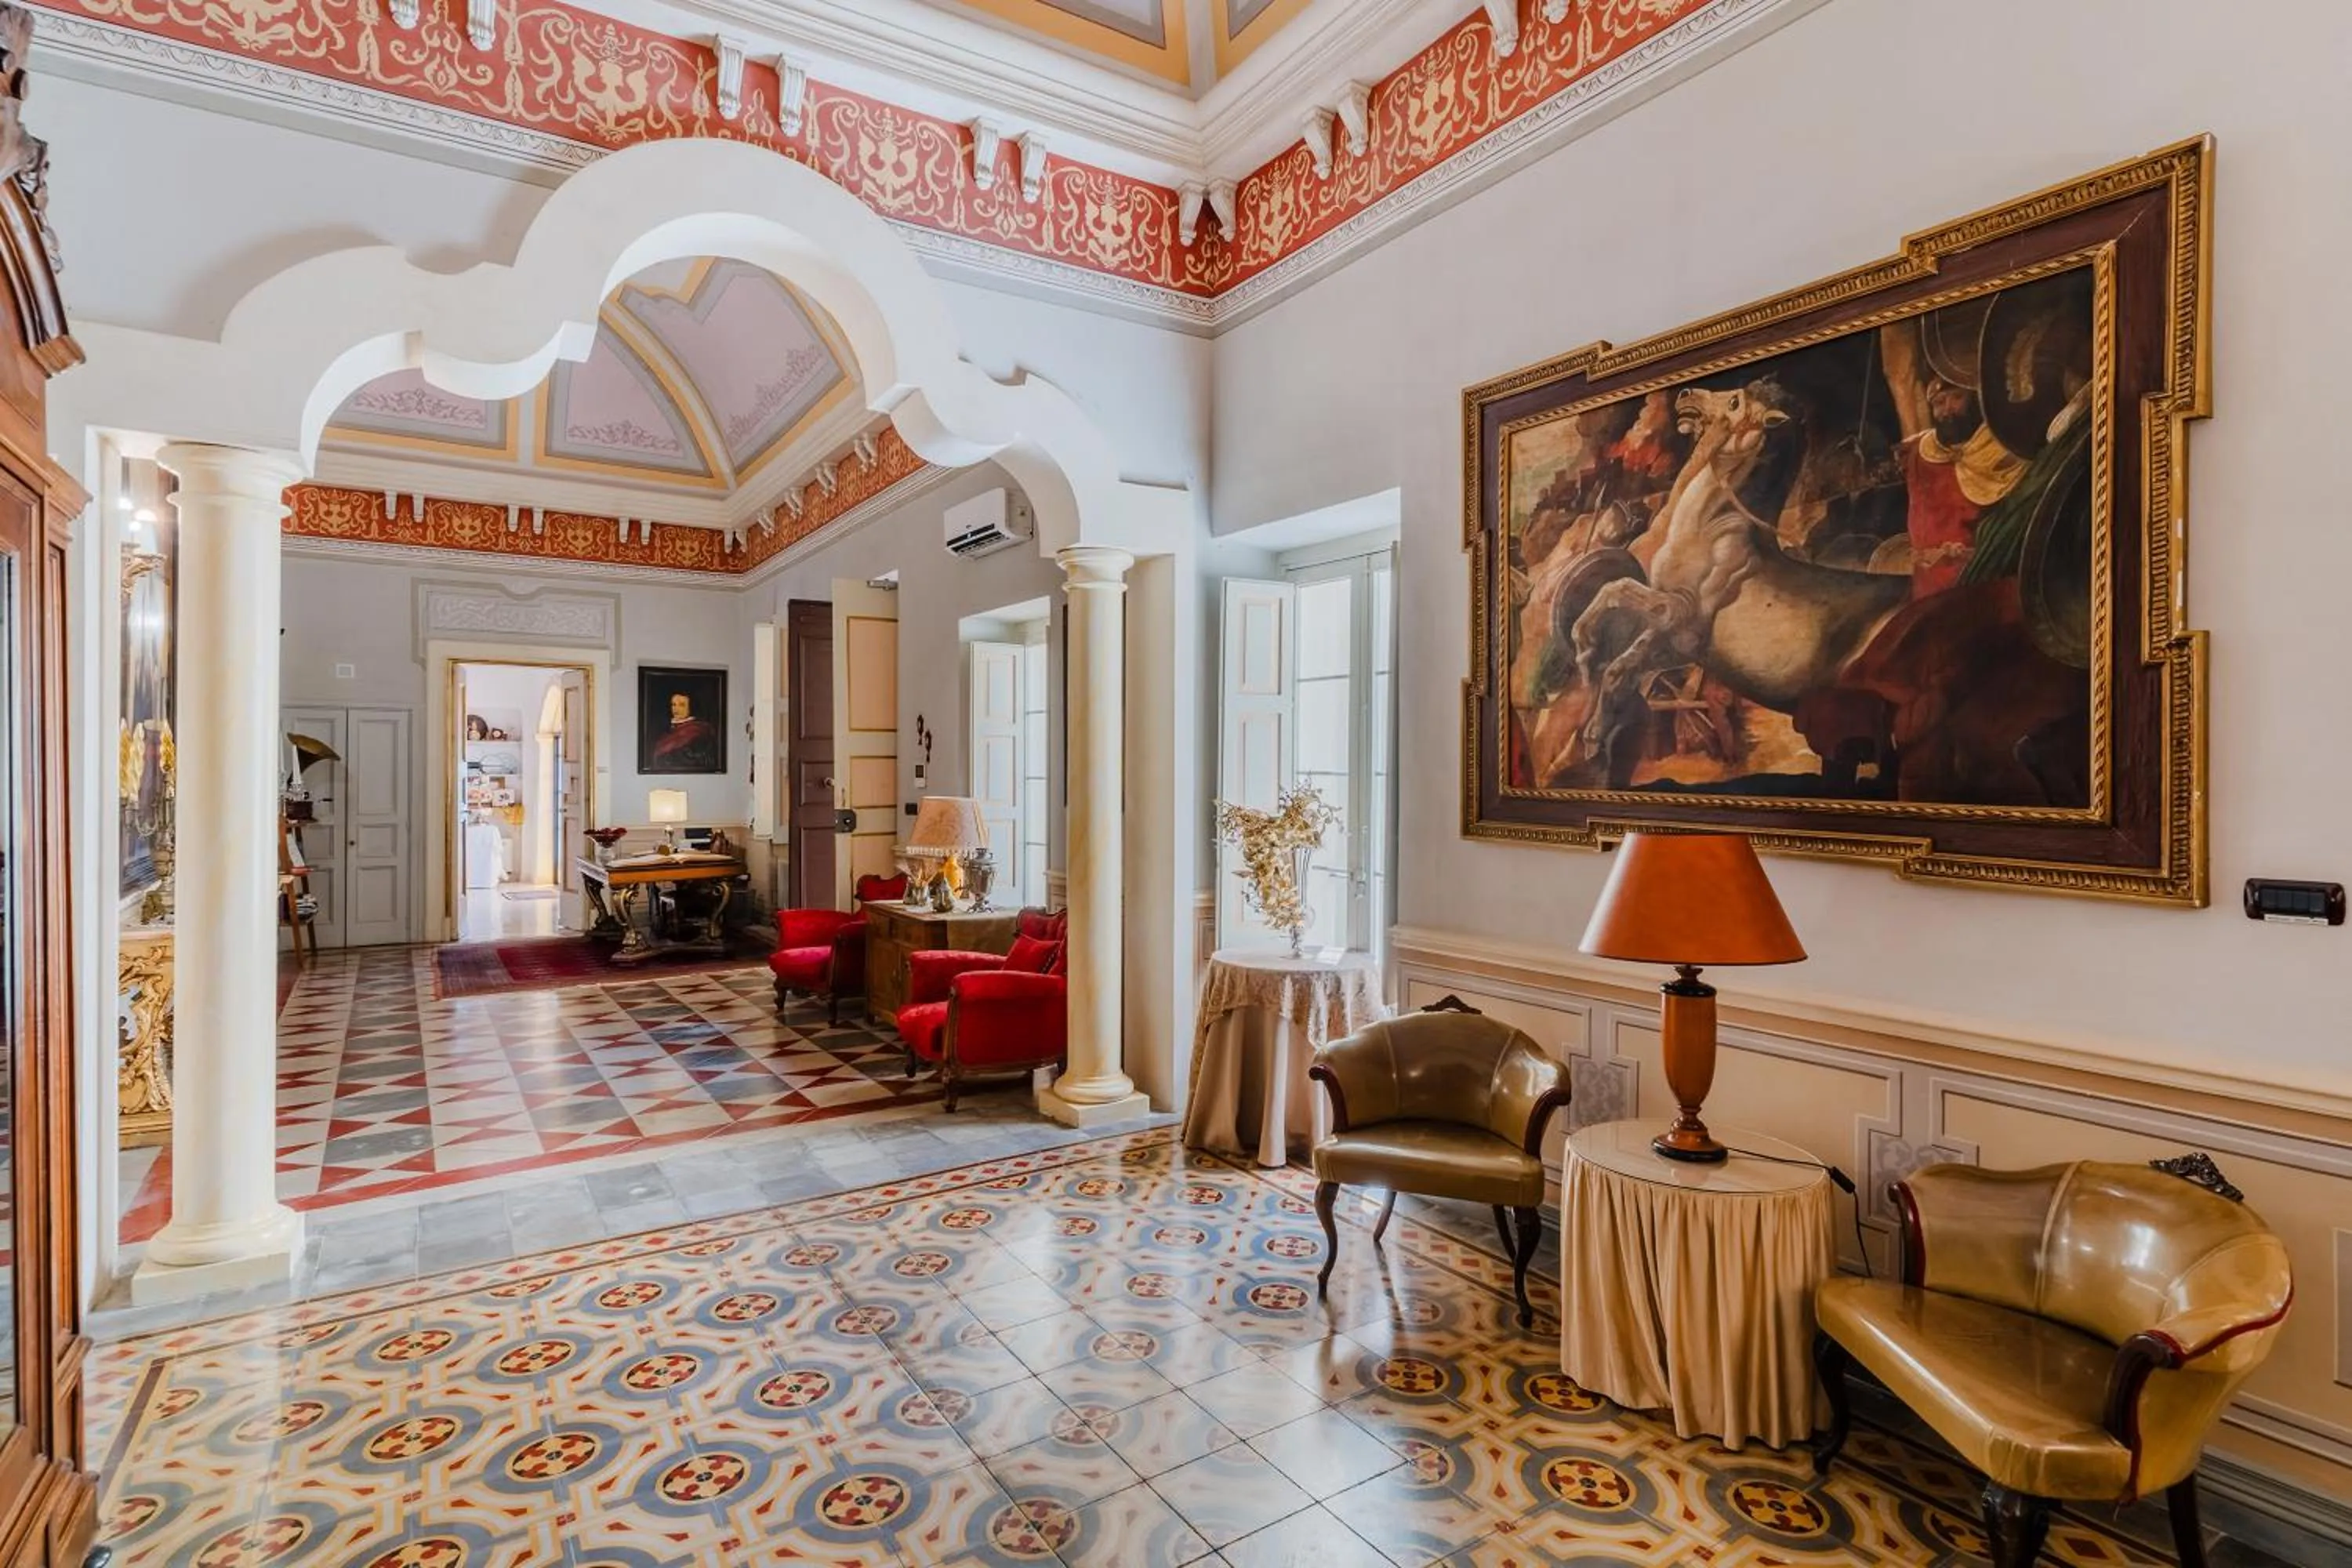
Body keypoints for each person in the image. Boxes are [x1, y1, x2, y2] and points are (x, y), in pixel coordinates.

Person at [649, 688, 720, 771]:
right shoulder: (671, 730)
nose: (676, 709)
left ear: (691, 707)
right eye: (673, 704)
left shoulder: (698, 731)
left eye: (682, 705)